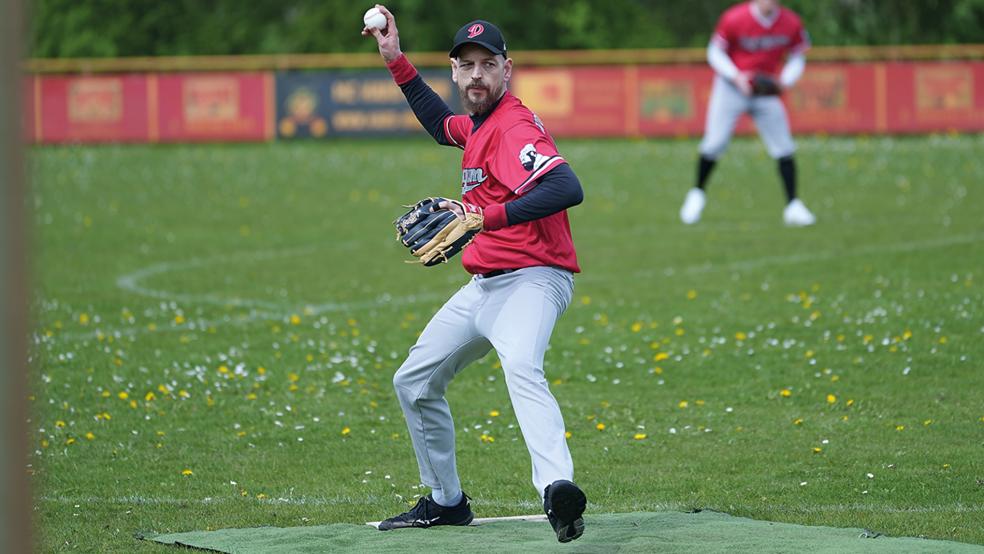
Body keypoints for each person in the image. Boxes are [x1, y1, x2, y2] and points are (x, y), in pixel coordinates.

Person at [363, 5, 588, 543]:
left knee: (521, 366)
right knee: (413, 383)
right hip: (485, 285)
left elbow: (566, 188)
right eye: (467, 65)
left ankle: (559, 491)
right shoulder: (480, 125)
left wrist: (484, 217)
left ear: (506, 70)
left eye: (488, 64)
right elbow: (442, 125)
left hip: (537, 277)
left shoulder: (512, 125)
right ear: (455, 70)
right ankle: (446, 502)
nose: (477, 75)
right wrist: (395, 58)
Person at [680, 0, 816, 226]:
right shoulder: (735, 18)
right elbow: (714, 52)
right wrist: (735, 76)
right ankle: (696, 194)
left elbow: (798, 56)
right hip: (732, 87)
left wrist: (785, 81)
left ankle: (793, 205)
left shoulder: (790, 22)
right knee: (714, 143)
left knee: (783, 146)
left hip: (765, 90)